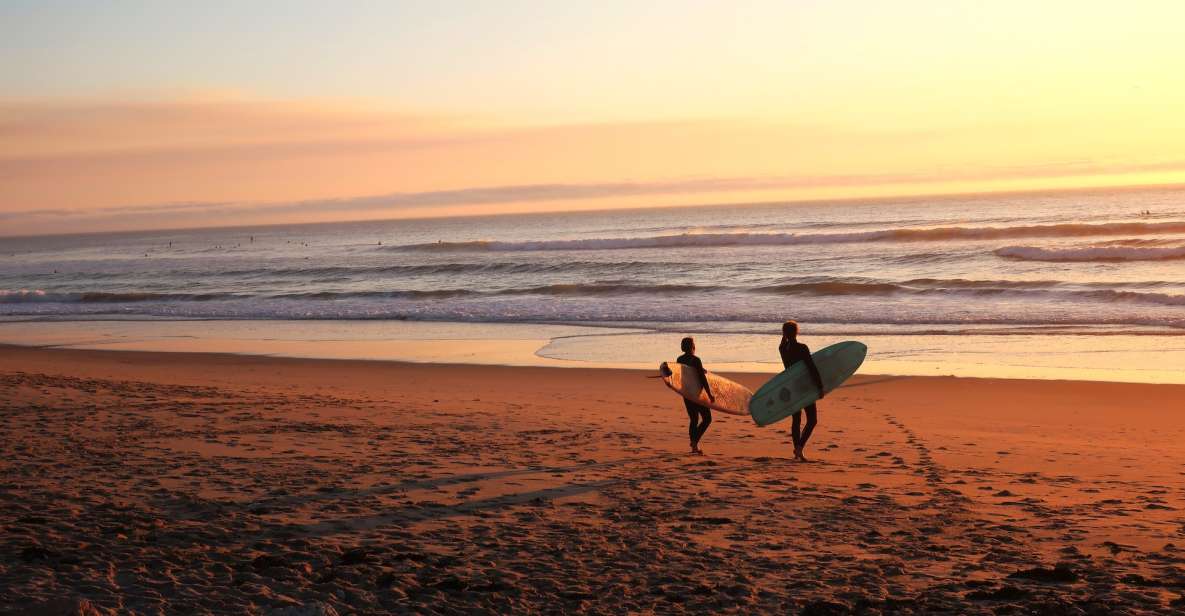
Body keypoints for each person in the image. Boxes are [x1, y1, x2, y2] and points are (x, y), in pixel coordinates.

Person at [779, 320, 825, 462]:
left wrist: (784, 335)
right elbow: (811, 367)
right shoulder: (802, 348)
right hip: (804, 386)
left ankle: (797, 451)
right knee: (812, 420)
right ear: (797, 332)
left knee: (796, 420)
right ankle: (799, 448)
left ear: (784, 333)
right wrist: (820, 386)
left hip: (791, 387)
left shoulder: (782, 348)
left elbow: (783, 343)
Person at [677, 336, 714, 455]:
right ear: (692, 346)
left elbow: (685, 374)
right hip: (697, 394)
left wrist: (700, 369)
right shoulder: (696, 360)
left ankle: (694, 446)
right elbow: (702, 379)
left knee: (693, 419)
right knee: (707, 418)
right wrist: (709, 394)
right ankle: (694, 442)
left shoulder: (679, 359)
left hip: (686, 393)